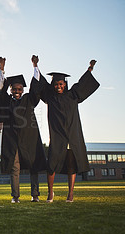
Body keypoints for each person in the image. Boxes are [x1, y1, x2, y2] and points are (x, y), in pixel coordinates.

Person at [36, 58, 99, 202]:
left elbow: (83, 83)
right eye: (56, 84)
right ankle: (50, 193)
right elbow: (41, 83)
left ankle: (70, 194)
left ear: (65, 84)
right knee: (51, 164)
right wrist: (35, 66)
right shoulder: (50, 98)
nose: (58, 86)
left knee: (72, 166)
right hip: (57, 136)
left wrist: (90, 68)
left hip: (72, 136)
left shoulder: (72, 95)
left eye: (61, 84)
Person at [0, 56, 47, 203]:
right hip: (12, 139)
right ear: (10, 90)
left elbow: (36, 87)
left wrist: (35, 66)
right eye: (14, 89)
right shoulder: (6, 102)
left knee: (34, 166)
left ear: (23, 90)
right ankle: (15, 196)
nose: (17, 91)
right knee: (14, 168)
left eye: (19, 89)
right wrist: (1, 70)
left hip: (29, 137)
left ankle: (35, 195)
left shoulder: (29, 100)